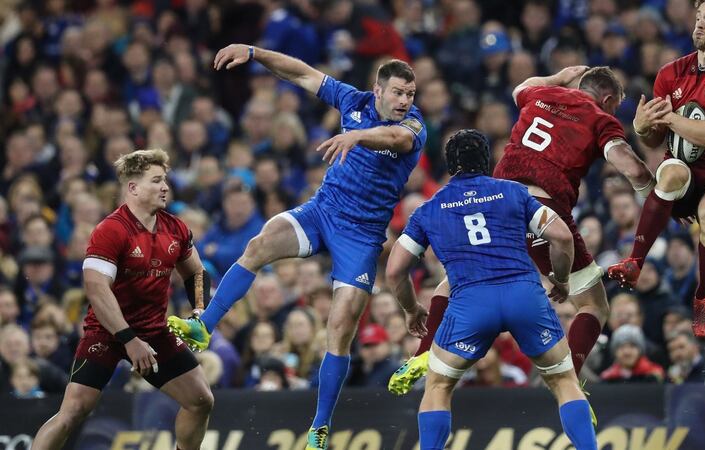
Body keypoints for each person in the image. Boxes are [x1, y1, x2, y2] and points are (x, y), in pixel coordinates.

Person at [166, 43, 426, 449]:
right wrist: (254, 52)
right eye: (398, 92)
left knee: (339, 328)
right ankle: (204, 325)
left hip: (360, 236)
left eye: (410, 95)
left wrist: (357, 136)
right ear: (378, 91)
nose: (405, 101)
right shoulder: (351, 100)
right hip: (322, 212)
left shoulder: (413, 127)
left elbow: (395, 138)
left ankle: (319, 428)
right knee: (258, 244)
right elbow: (302, 72)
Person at [389, 66, 654, 397]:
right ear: (610, 99)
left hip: (497, 202)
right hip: (541, 207)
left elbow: (521, 88)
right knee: (593, 306)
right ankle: (571, 382)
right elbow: (630, 167)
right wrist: (657, 193)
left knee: (455, 283)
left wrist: (558, 78)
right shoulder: (601, 118)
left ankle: (423, 352)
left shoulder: (542, 94)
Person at [385, 130, 596, 450]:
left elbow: (395, 270)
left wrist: (412, 309)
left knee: (438, 386)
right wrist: (561, 279)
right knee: (564, 381)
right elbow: (562, 237)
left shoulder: (429, 209)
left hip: (470, 305)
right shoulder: (514, 192)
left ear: (450, 165)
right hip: (524, 297)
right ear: (487, 161)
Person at [32, 149, 214, 450]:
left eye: (165, 180)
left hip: (154, 330)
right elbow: (96, 289)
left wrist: (198, 312)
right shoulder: (110, 230)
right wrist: (128, 338)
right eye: (156, 181)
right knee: (73, 411)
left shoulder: (176, 228)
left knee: (200, 401)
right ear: (133, 188)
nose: (165, 187)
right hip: (107, 331)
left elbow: (196, 272)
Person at [607, 0, 705, 337]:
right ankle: (634, 262)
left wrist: (671, 118)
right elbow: (655, 141)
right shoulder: (670, 73)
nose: (700, 24)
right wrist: (643, 126)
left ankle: (704, 297)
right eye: (699, 17)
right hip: (680, 167)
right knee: (671, 171)